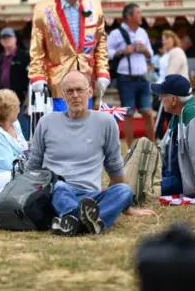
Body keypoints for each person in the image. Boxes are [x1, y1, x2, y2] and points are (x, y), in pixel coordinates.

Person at [25, 70, 155, 236]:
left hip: (91, 198)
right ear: (63, 96)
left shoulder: (105, 122)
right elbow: (33, 164)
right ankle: (89, 221)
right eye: (70, 91)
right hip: (56, 193)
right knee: (59, 186)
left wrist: (125, 205)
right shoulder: (47, 122)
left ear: (90, 92)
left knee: (124, 191)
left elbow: (114, 166)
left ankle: (73, 221)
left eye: (80, 90)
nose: (75, 96)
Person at [29, 0, 110, 112]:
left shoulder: (94, 7)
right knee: (62, 129)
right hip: (58, 82)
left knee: (86, 128)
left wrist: (102, 73)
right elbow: (37, 50)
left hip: (86, 81)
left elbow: (101, 45)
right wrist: (37, 77)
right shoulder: (43, 9)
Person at [152, 75, 195, 200]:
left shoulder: (193, 115)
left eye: (163, 95)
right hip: (175, 177)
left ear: (174, 99)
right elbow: (163, 149)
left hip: (184, 182)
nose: (159, 98)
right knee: (135, 181)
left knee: (140, 188)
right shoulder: (178, 113)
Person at [107, 3, 154, 147]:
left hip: (142, 78)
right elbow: (106, 52)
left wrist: (145, 50)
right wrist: (122, 51)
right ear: (129, 16)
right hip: (125, 79)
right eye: (138, 13)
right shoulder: (116, 33)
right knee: (128, 114)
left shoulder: (142, 32)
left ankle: (152, 146)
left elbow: (151, 55)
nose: (141, 16)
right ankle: (129, 148)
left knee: (148, 113)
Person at [0, 27, 30, 138]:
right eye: (4, 38)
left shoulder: (24, 56)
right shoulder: (0, 58)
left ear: (15, 39)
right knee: (6, 130)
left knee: (21, 129)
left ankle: (24, 153)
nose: (6, 40)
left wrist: (28, 100)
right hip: (4, 101)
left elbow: (30, 79)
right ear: (0, 41)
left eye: (9, 37)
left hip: (21, 100)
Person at [154, 31, 189, 138]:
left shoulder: (176, 51)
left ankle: (163, 136)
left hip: (173, 89)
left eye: (168, 38)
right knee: (168, 116)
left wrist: (166, 87)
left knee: (166, 116)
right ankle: (168, 138)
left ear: (173, 40)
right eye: (163, 39)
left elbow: (172, 72)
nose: (165, 41)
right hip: (164, 87)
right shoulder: (166, 54)